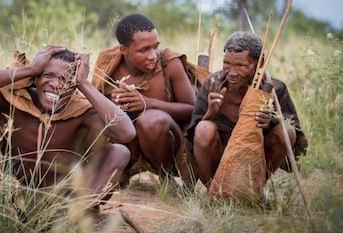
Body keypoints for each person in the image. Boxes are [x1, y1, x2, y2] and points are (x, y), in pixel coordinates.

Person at [0, 45, 136, 209]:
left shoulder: (80, 110)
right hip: (8, 187)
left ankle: (76, 215)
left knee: (119, 151)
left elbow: (126, 132)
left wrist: (84, 83)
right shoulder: (17, 100)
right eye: (48, 75)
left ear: (74, 87)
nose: (55, 85)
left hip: (60, 196)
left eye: (66, 80)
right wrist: (30, 69)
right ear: (36, 79)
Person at [93, 13, 207, 187]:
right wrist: (113, 102)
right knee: (117, 120)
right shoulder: (109, 67)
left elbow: (192, 110)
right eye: (144, 50)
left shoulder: (169, 63)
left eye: (156, 47)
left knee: (151, 120)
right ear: (124, 50)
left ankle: (166, 177)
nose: (153, 55)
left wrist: (148, 103)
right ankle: (122, 173)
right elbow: (93, 110)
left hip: (170, 147)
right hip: (130, 146)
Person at [187, 31, 308, 189]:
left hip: (253, 160)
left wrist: (268, 123)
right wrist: (211, 112)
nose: (232, 72)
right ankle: (214, 192)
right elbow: (194, 134)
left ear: (260, 63)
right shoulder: (214, 84)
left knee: (286, 132)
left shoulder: (275, 90)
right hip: (218, 158)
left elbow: (294, 130)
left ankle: (252, 190)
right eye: (227, 64)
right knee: (204, 128)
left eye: (241, 66)